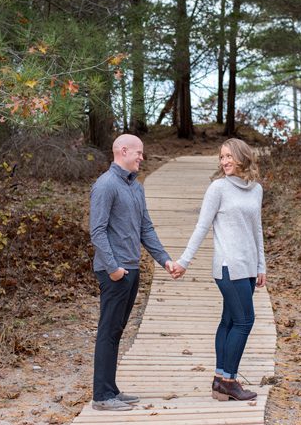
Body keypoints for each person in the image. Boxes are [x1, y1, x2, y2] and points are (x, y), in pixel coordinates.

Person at [170, 138, 266, 402]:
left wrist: (261, 266)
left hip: (247, 267)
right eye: (221, 157)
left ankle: (219, 378)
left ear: (242, 157)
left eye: (228, 156)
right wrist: (184, 261)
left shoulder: (255, 189)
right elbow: (202, 226)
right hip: (227, 266)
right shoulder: (218, 188)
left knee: (230, 321)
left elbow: (256, 229)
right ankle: (229, 381)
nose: (224, 162)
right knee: (245, 321)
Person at [88, 133, 178, 411]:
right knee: (108, 331)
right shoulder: (105, 185)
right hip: (114, 271)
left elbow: (145, 229)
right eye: (138, 153)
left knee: (116, 330)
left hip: (132, 269)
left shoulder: (135, 187)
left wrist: (164, 260)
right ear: (123, 151)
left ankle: (111, 389)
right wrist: (114, 267)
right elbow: (97, 231)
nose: (142, 157)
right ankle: (102, 396)